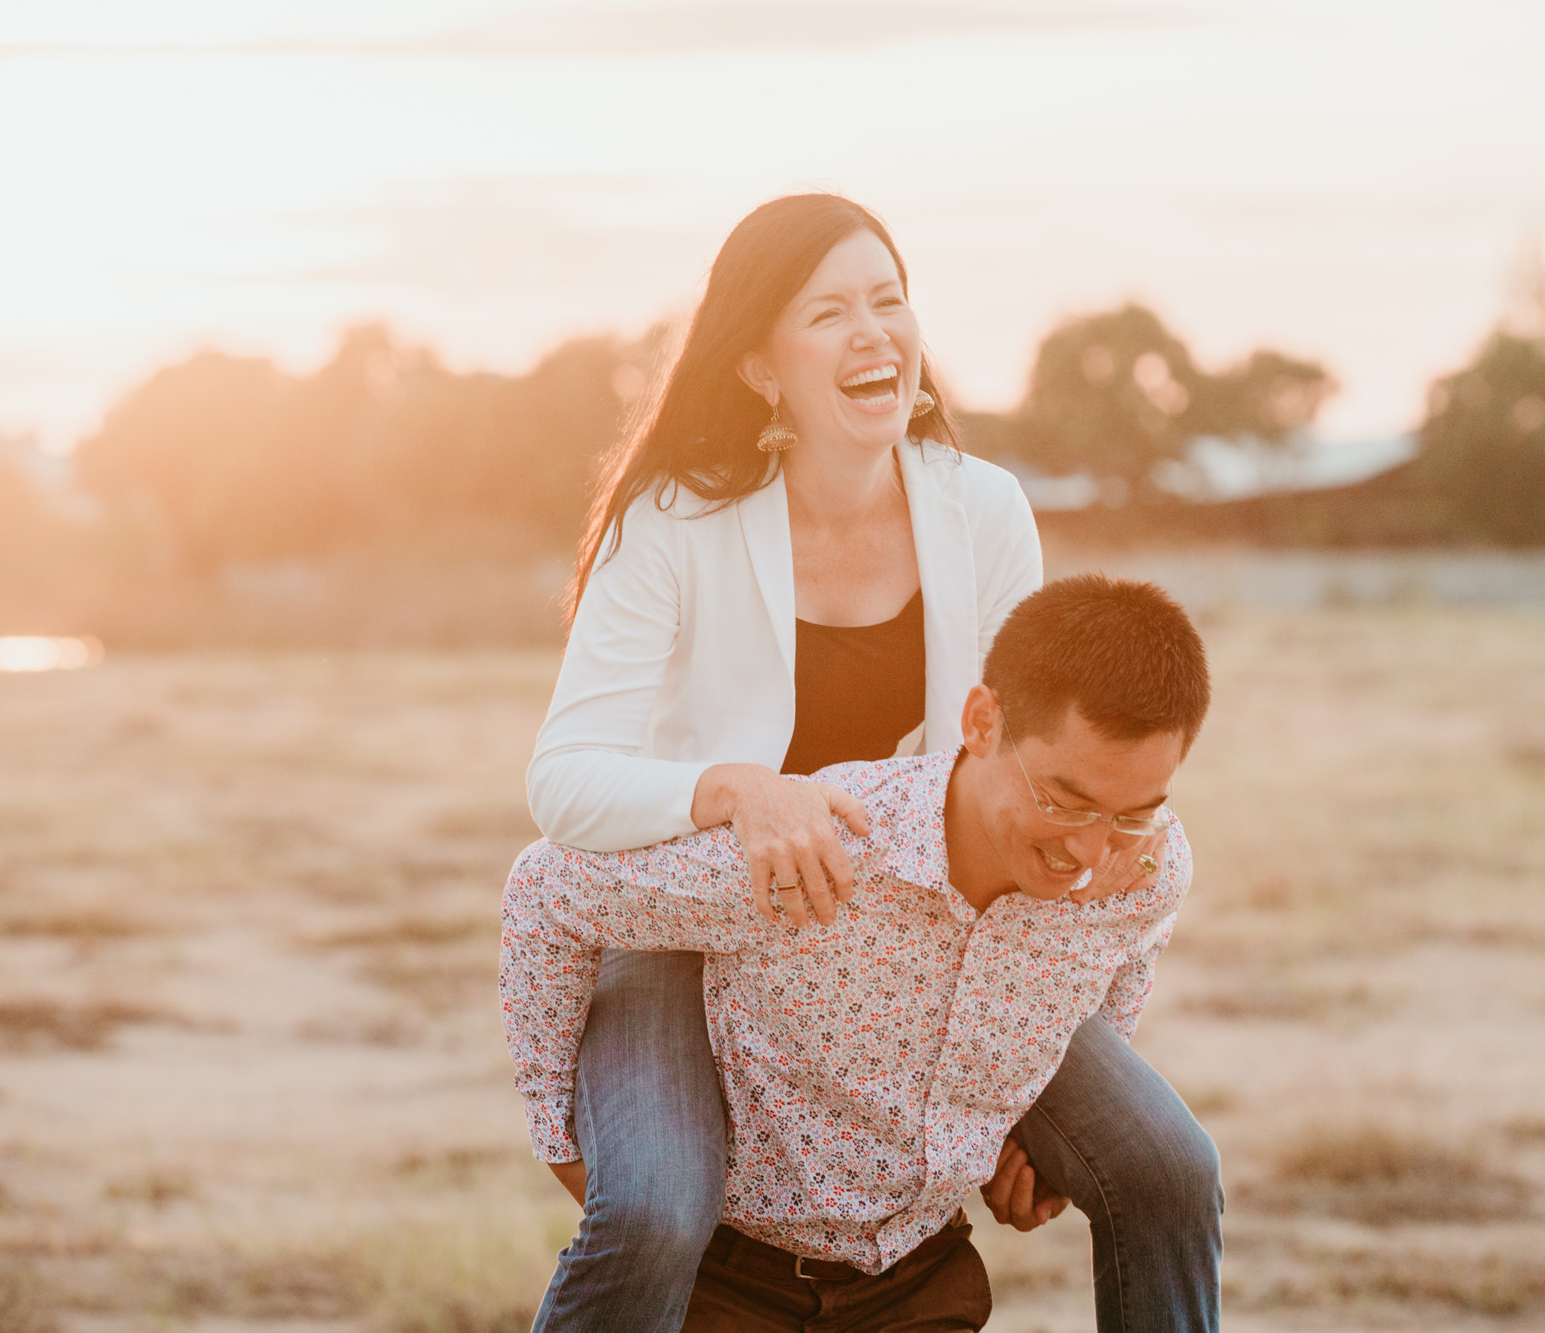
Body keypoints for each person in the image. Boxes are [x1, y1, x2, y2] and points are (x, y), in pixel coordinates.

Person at [523, 192, 1221, 1331]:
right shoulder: (673, 521)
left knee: (1167, 1168)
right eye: (829, 313)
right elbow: (563, 782)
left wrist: (1011, 1091)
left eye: (889, 302)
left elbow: (1018, 749)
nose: (873, 334)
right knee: (651, 1210)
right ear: (758, 366)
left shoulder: (984, 509)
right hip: (692, 911)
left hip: (919, 935)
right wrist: (735, 791)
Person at [503, 576, 1215, 1331]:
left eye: (1132, 812)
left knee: (1180, 1168)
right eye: (1065, 800)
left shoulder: (1145, 868)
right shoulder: (823, 850)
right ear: (981, 723)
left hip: (917, 1287)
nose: (1089, 849)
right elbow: (547, 890)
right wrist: (560, 1140)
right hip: (730, 1282)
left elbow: (1129, 948)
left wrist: (1032, 1132)